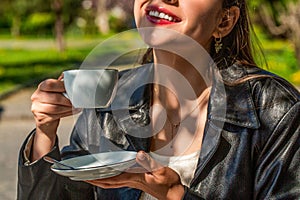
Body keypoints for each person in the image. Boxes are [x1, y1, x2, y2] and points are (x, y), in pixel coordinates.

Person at [18, 0, 300, 199]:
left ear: (224, 20)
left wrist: (174, 195)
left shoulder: (274, 110)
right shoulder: (112, 99)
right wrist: (45, 132)